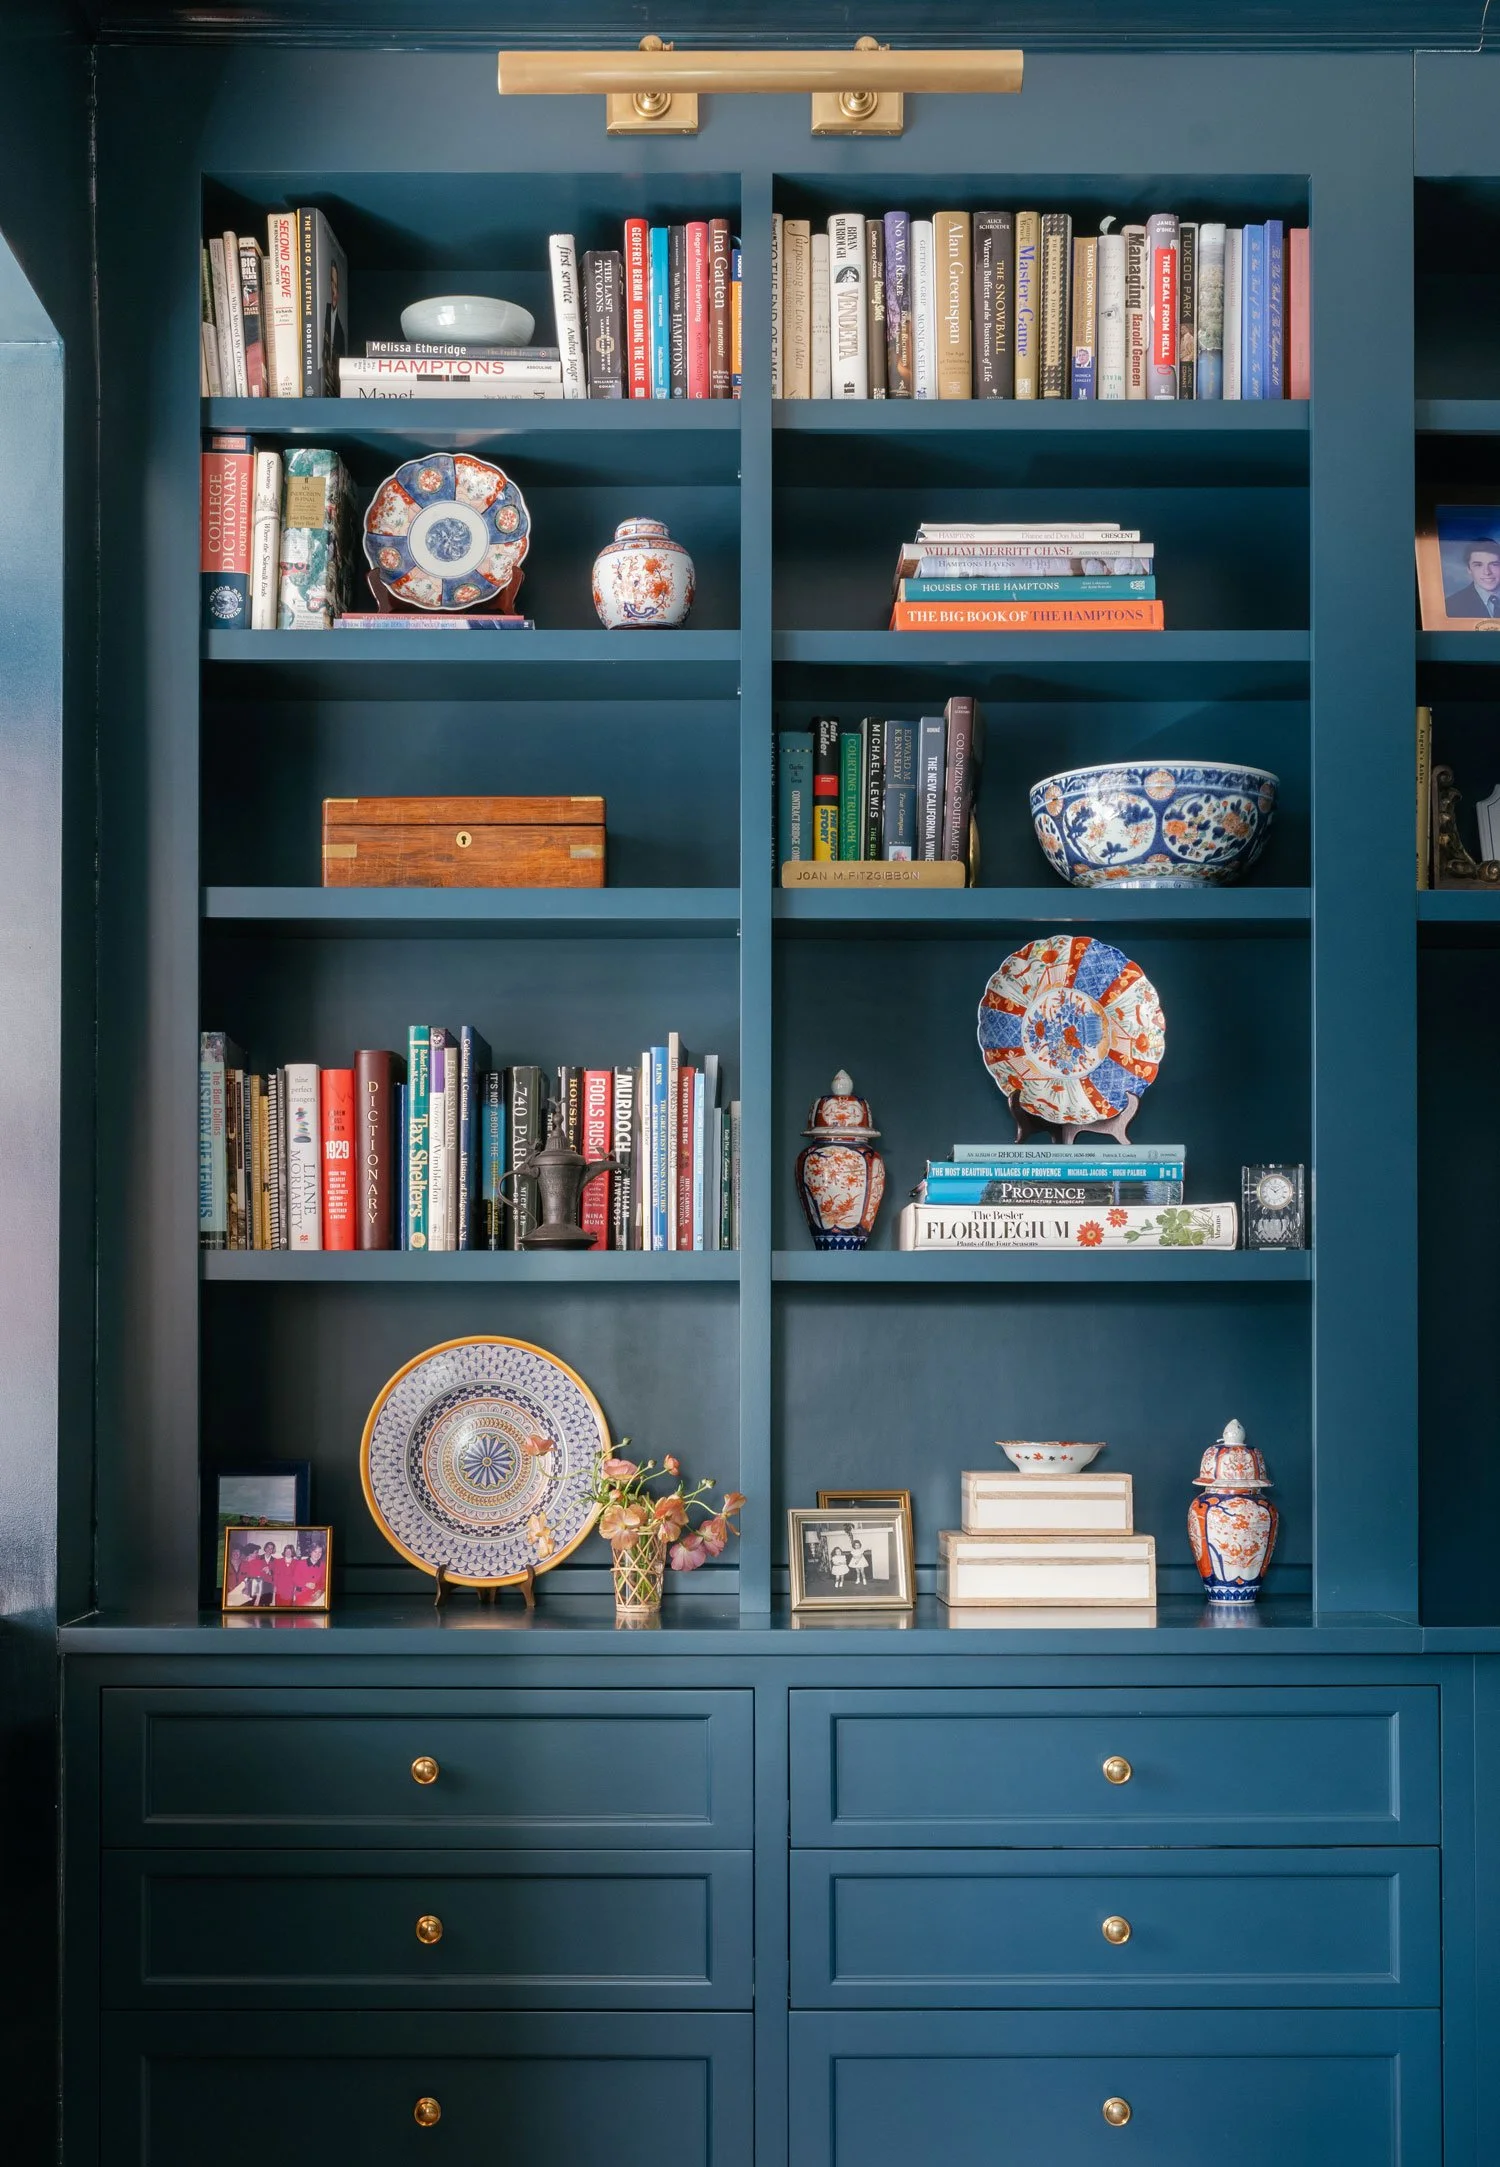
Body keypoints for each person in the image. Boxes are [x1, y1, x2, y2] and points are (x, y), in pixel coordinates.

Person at [1444, 537, 1500, 618]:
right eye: (1478, 565)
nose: (1487, 572)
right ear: (1469, 569)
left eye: (1494, 564)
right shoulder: (1450, 606)